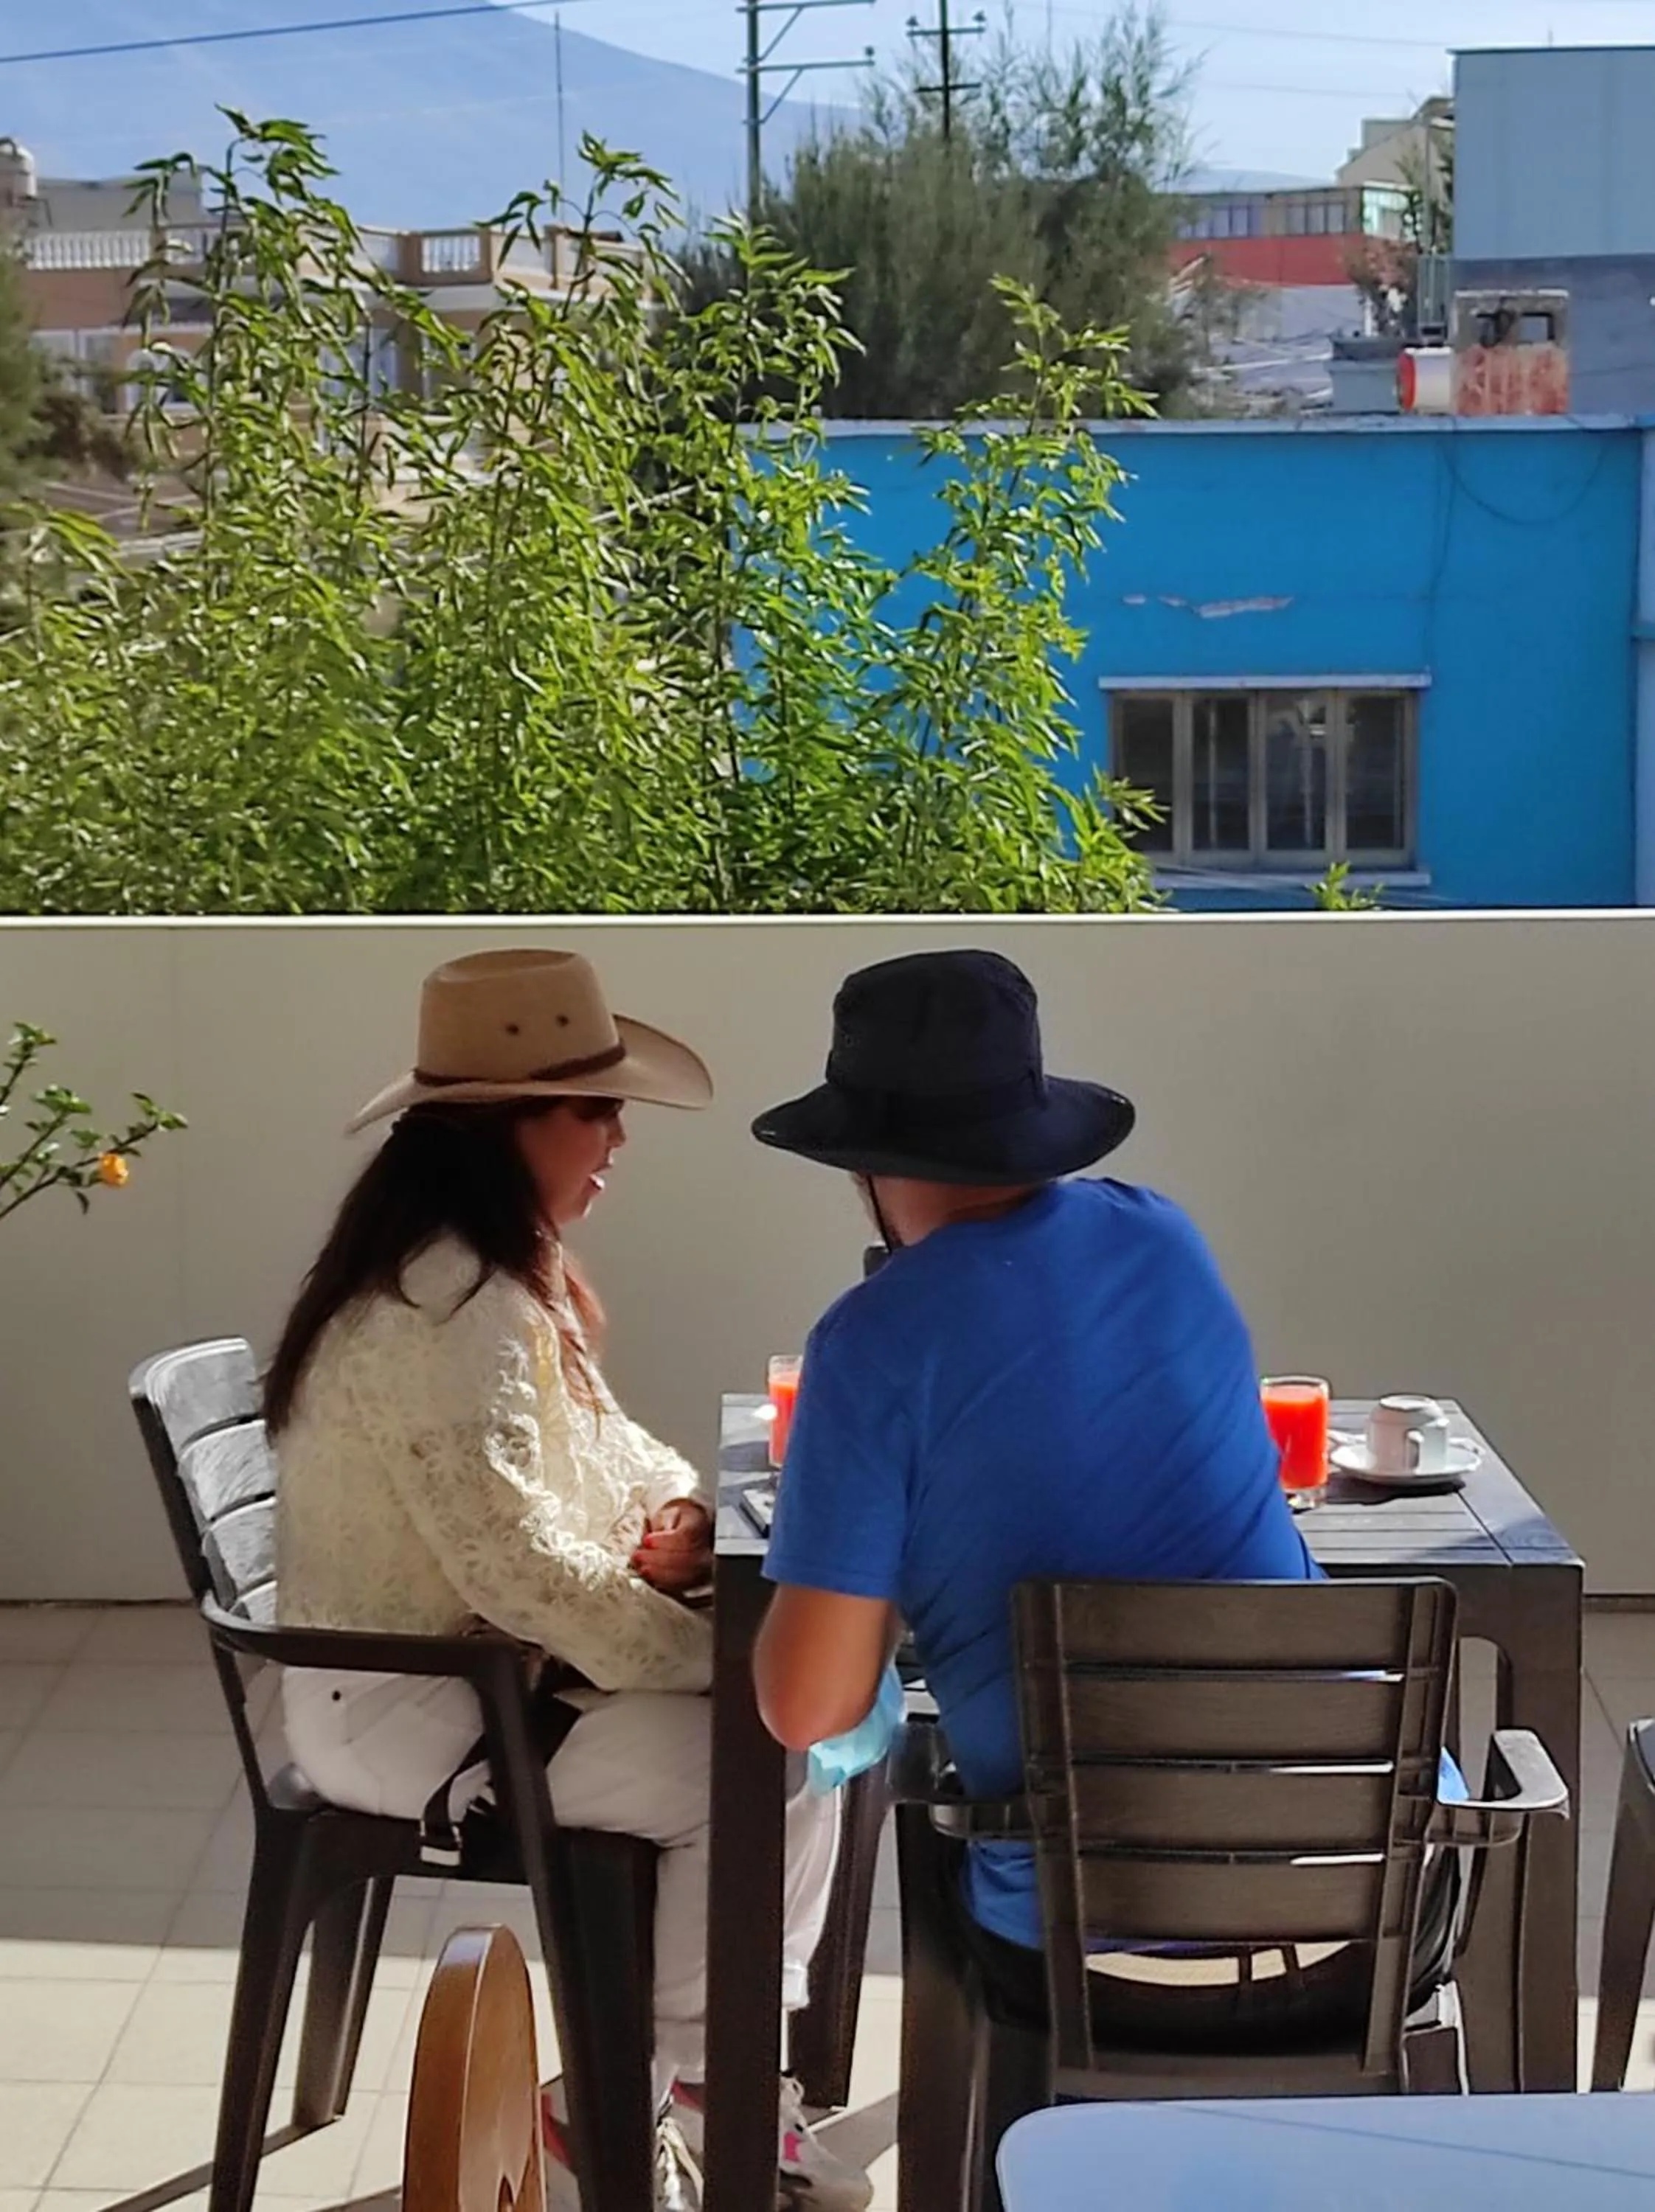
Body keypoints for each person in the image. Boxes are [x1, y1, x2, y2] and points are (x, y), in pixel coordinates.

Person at [268, 947, 872, 2212]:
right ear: (504, 1124)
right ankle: (671, 2090)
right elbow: (517, 1565)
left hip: (484, 1674)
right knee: (771, 1753)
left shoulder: (491, 1272)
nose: (618, 1139)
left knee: (793, 1736)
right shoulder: (448, 1310)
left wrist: (678, 1506)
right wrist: (720, 1659)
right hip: (419, 1708)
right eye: (594, 1109)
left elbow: (604, 1447)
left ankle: (666, 2085)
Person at [745, 947, 1429, 2050]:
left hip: (1090, 1960)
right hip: (1374, 1920)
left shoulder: (871, 1342)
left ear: (864, 1164)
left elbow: (808, 1710)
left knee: (938, 1817)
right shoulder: (1166, 1238)